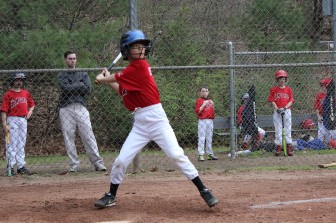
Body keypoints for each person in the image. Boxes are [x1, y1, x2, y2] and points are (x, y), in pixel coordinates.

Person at [94, 29, 218, 208]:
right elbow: (122, 91)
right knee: (121, 160)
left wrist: (103, 78)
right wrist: (108, 81)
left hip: (157, 119)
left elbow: (117, 77)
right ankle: (111, 194)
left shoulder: (141, 67)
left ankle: (204, 190)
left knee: (176, 155)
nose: (142, 50)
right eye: (136, 47)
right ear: (127, 51)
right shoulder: (130, 73)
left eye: (142, 46)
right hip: (140, 122)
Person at [58, 51, 106, 172]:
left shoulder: (83, 73)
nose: (72, 60)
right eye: (69, 58)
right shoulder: (62, 74)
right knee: (69, 136)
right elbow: (64, 89)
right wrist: (79, 85)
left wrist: (73, 86)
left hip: (81, 107)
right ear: (65, 60)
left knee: (88, 135)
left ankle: (98, 163)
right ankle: (74, 165)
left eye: (74, 58)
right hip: (66, 108)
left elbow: (88, 89)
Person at [1, 73, 35, 175]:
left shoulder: (25, 93)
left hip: (23, 120)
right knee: (11, 143)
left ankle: (21, 166)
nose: (19, 82)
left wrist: (29, 112)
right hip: (11, 119)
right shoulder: (8, 94)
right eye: (17, 80)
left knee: (21, 143)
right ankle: (10, 166)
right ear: (12, 81)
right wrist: (4, 124)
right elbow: (3, 111)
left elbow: (32, 104)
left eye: (21, 80)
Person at [267, 70, 295, 156]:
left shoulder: (288, 89)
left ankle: (288, 146)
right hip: (277, 111)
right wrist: (277, 109)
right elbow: (272, 100)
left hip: (286, 110)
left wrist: (285, 107)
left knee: (287, 129)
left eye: (283, 78)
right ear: (277, 79)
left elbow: (291, 100)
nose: (281, 80)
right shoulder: (273, 89)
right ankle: (278, 146)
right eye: (280, 78)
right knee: (278, 129)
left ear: (285, 79)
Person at [194, 86, 218, 161]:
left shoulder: (210, 100)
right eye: (203, 91)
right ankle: (200, 154)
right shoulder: (199, 100)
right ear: (200, 92)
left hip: (210, 120)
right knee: (202, 138)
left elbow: (212, 111)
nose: (205, 93)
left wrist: (213, 105)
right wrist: (203, 105)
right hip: (202, 120)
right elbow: (198, 111)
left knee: (209, 138)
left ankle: (209, 154)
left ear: (208, 92)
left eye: (206, 91)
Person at [314, 78, 336, 144]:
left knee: (330, 132)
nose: (323, 88)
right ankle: (319, 144)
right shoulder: (319, 95)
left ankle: (330, 143)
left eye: (324, 86)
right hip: (322, 116)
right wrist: (318, 116)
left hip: (330, 117)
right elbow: (316, 107)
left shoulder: (332, 95)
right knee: (321, 132)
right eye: (322, 86)